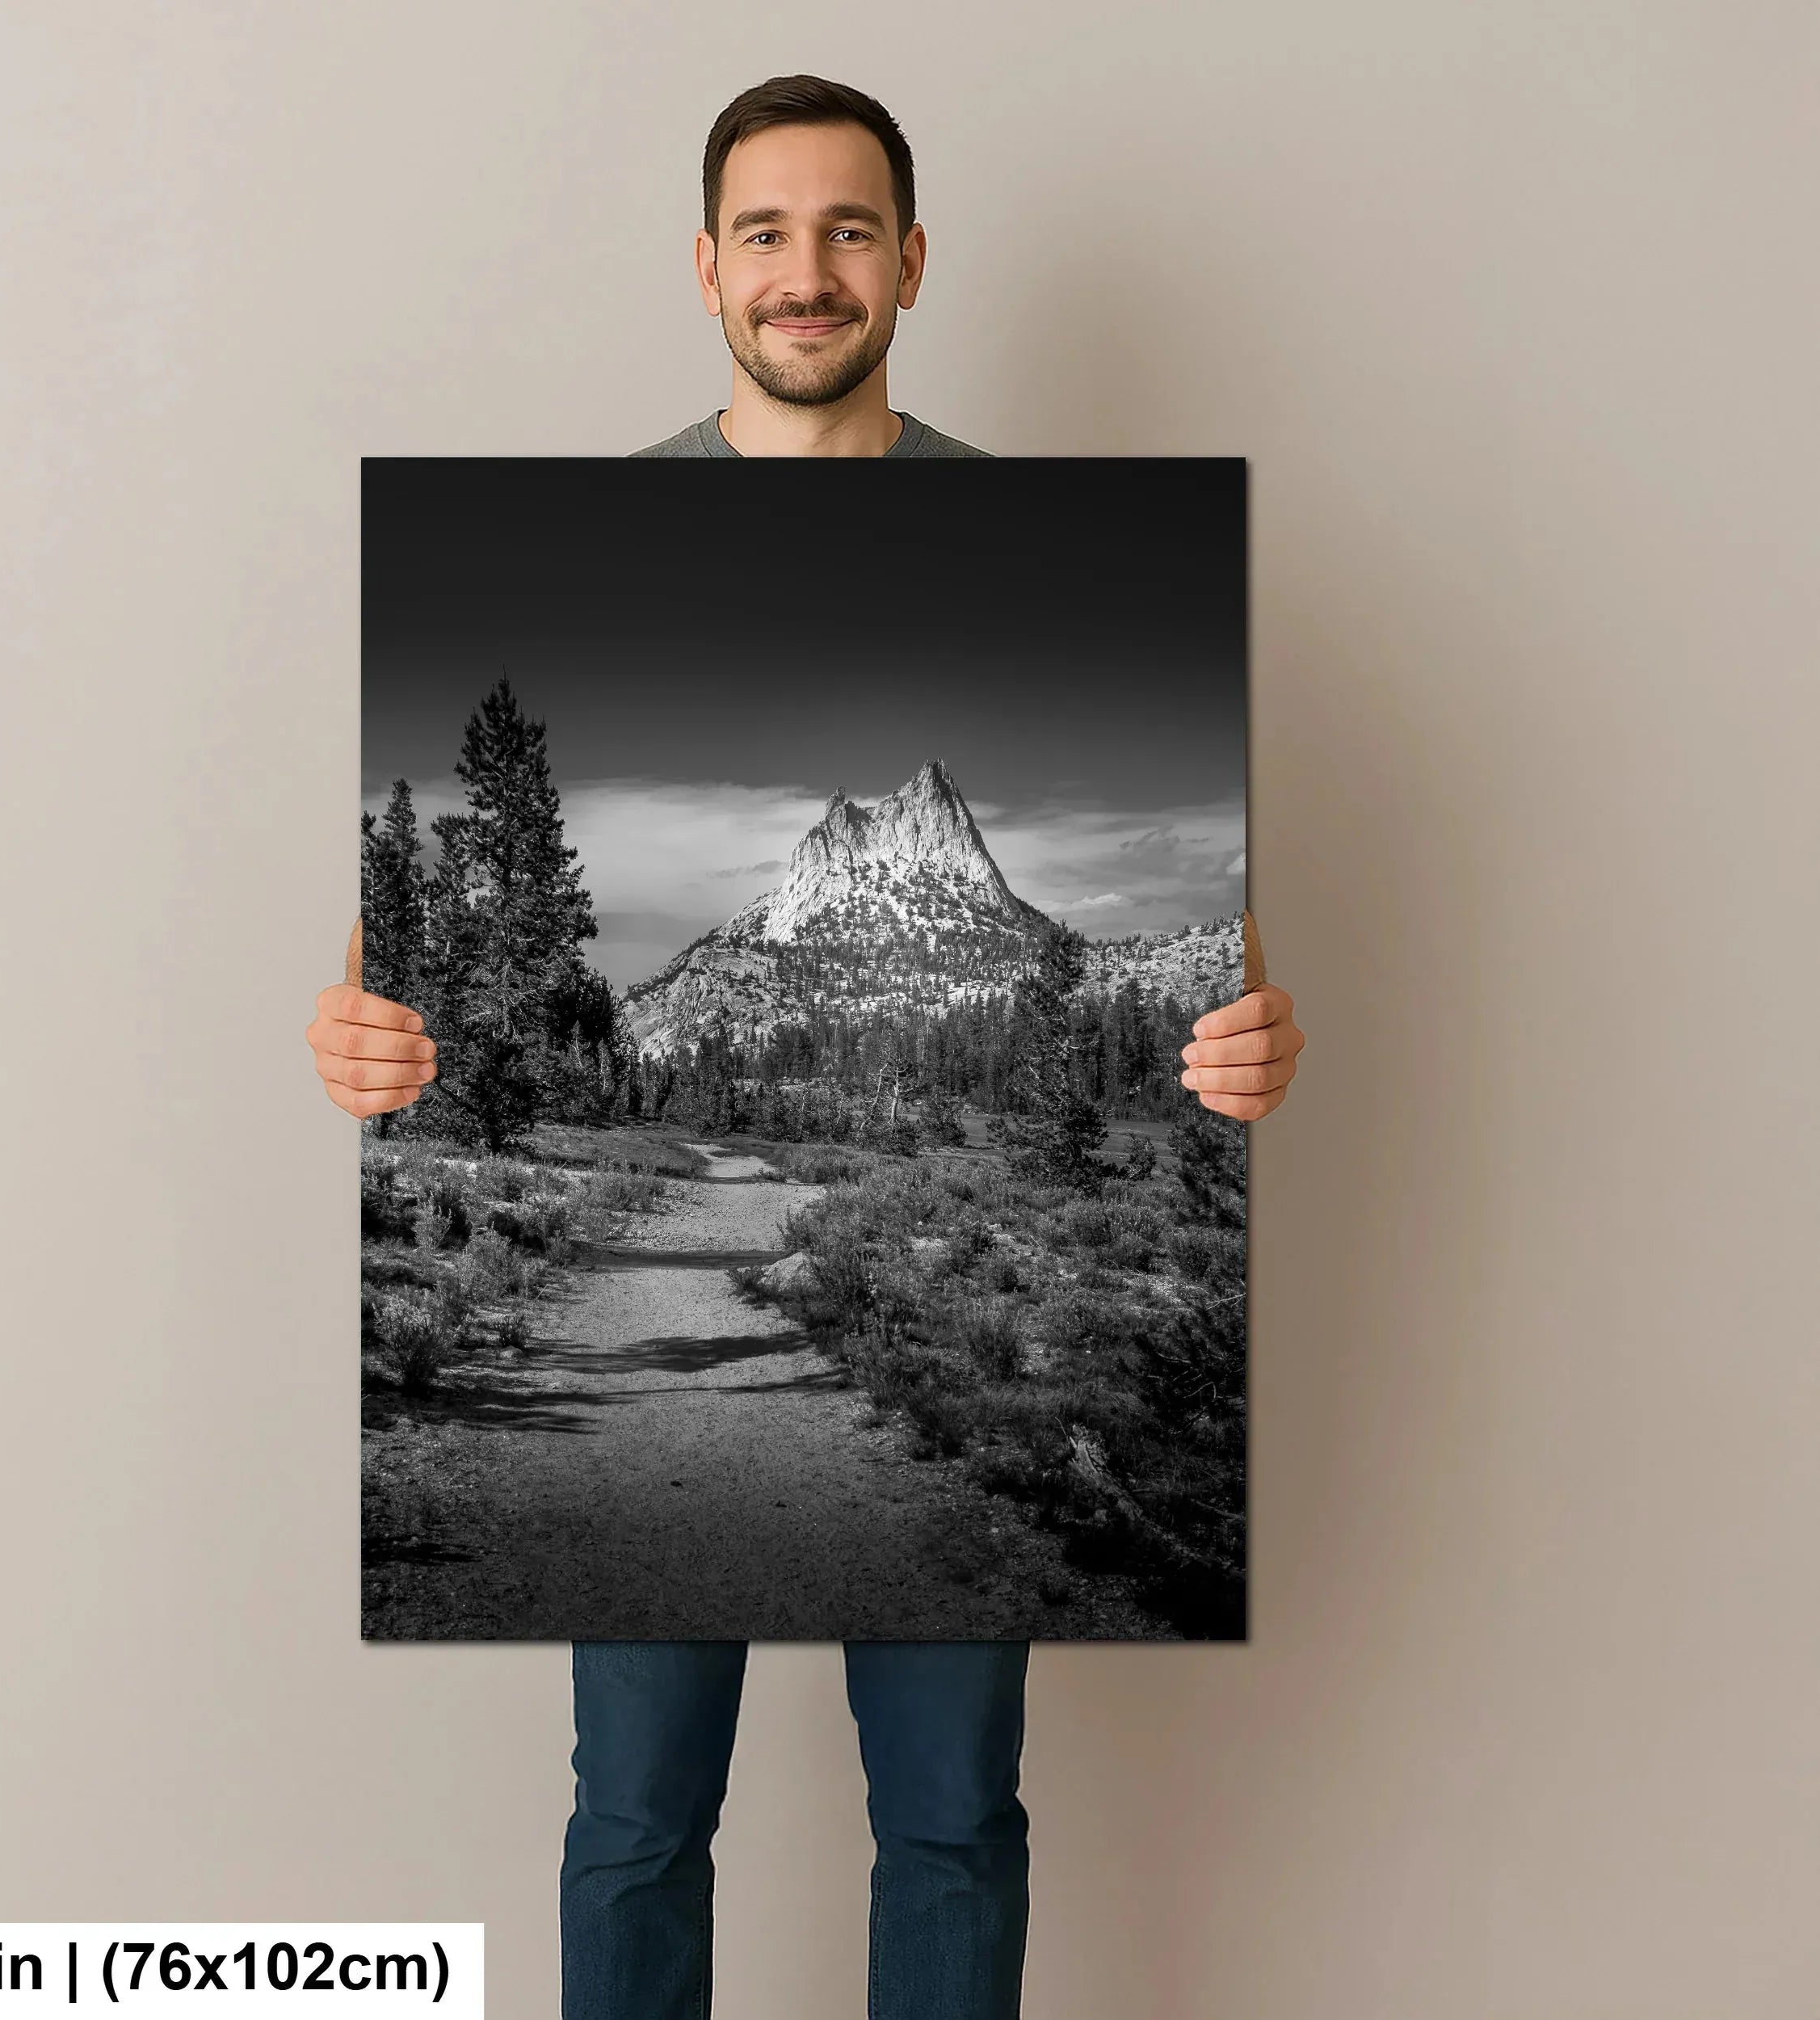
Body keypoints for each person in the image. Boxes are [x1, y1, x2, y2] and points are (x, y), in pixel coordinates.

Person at [308, 73, 1306, 2020]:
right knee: (635, 1815)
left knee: (949, 1819)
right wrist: (358, 1037)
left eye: (849, 228)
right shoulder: (568, 537)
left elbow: (1241, 972)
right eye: (764, 231)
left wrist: (1250, 1046)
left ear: (913, 263)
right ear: (703, 268)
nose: (806, 270)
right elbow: (378, 946)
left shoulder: (1044, 539)